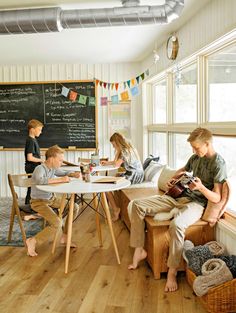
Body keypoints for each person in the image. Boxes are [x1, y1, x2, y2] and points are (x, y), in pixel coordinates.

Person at [128, 127, 227, 292]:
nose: (194, 151)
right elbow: (182, 170)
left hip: (196, 204)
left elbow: (217, 197)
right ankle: (139, 250)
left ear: (207, 143)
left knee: (177, 225)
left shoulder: (218, 163)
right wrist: (172, 180)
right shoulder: (196, 157)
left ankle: (172, 272)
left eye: (196, 147)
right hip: (177, 196)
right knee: (138, 206)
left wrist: (201, 188)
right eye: (193, 148)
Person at [26, 145, 81, 257]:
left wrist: (72, 174)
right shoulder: (39, 169)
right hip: (39, 202)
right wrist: (61, 179)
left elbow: (63, 172)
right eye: (60, 160)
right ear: (51, 159)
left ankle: (65, 236)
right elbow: (39, 181)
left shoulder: (53, 168)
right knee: (57, 223)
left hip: (51, 199)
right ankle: (33, 241)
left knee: (74, 207)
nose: (61, 162)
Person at [101, 132, 144, 221]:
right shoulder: (129, 148)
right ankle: (115, 208)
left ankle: (116, 210)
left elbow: (116, 165)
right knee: (114, 178)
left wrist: (117, 152)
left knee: (106, 187)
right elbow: (117, 163)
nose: (113, 147)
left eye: (113, 145)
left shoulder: (124, 151)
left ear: (117, 143)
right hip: (135, 173)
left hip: (134, 175)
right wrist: (108, 162)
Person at [24, 119, 44, 205]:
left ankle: (31, 205)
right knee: (32, 187)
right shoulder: (31, 141)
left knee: (33, 187)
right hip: (32, 167)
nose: (41, 132)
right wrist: (41, 160)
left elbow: (34, 154)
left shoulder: (33, 140)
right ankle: (28, 205)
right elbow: (29, 157)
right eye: (39, 130)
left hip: (34, 167)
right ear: (32, 129)